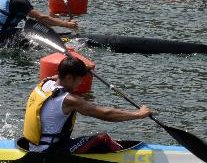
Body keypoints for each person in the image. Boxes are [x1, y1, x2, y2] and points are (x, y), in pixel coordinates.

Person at [22, 56, 151, 154]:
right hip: (48, 152)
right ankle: (126, 156)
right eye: (78, 81)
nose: (79, 85)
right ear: (68, 78)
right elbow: (106, 114)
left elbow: (59, 77)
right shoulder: (69, 100)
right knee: (102, 138)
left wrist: (81, 69)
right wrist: (138, 114)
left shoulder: (46, 83)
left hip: (33, 145)